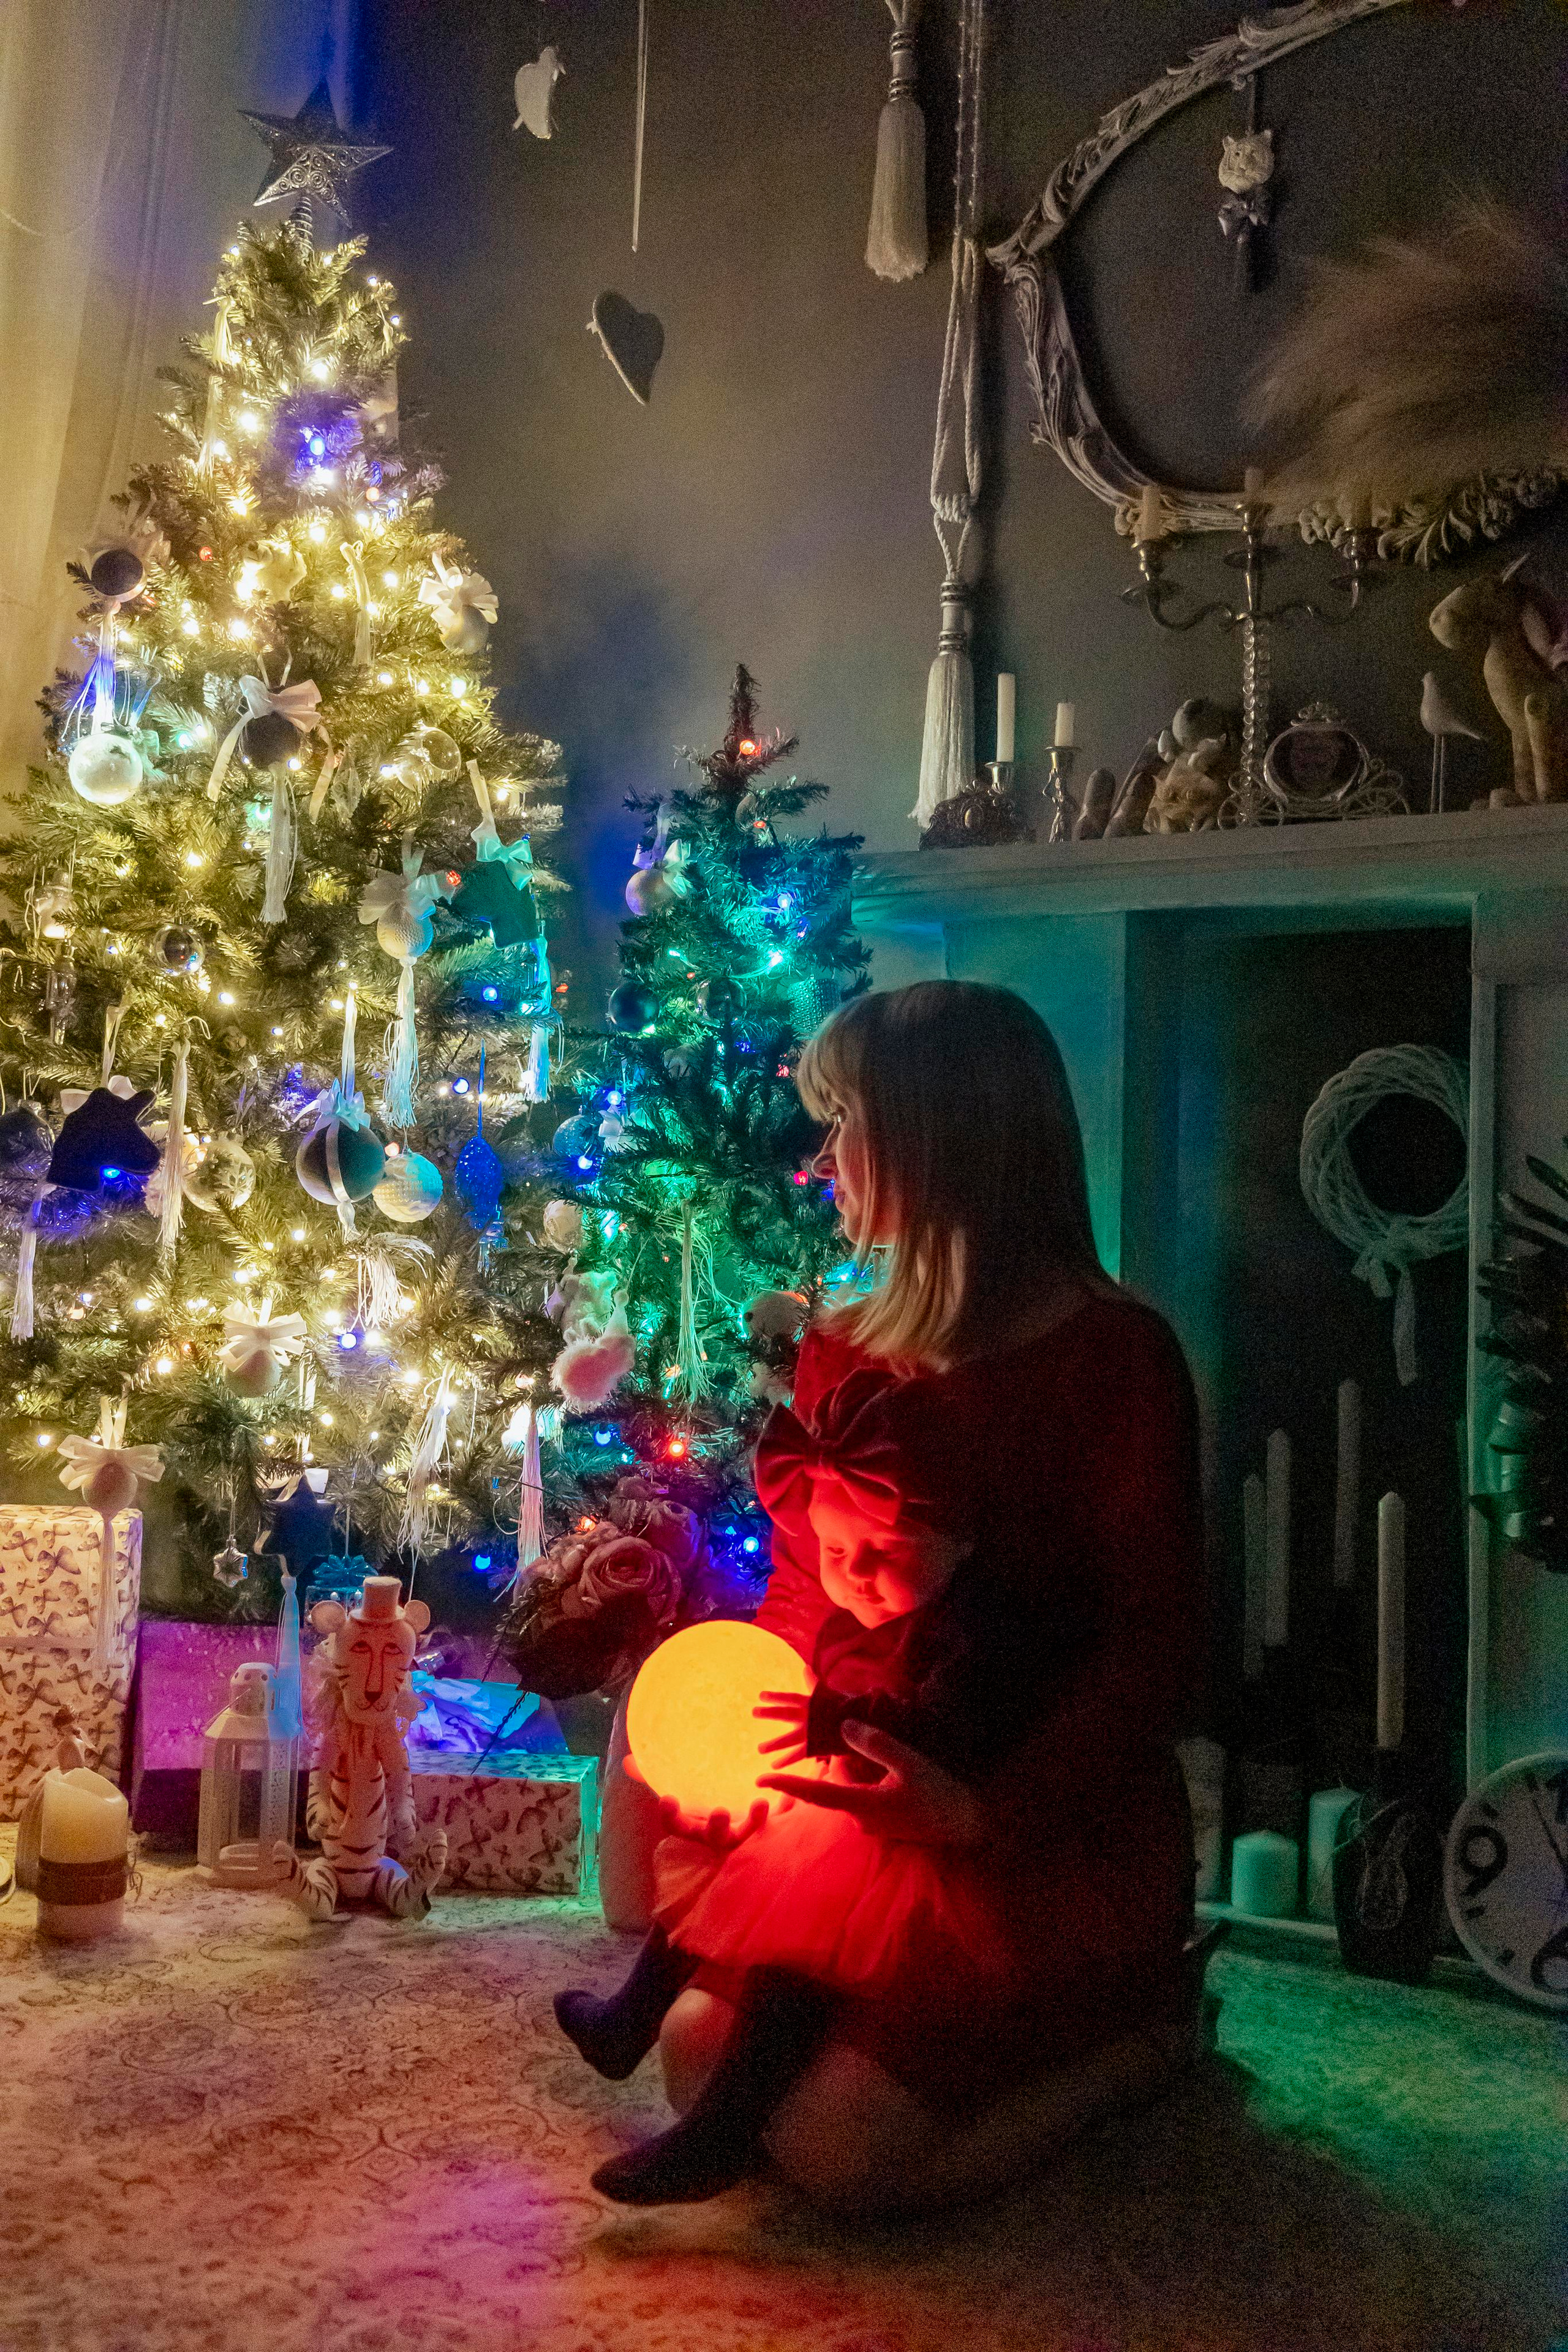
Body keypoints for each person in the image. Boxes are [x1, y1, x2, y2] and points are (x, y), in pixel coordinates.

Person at [561, 981, 1210, 2209]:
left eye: (843, 1124)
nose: (823, 1160)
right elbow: (806, 1599)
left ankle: (1147, 2041)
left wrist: (979, 1813)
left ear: (931, 1138)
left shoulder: (1118, 1357)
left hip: (1032, 1817)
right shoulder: (841, 1345)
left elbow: (1152, 1654)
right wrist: (767, 1753)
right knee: (700, 2060)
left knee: (842, 2152)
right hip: (873, 1806)